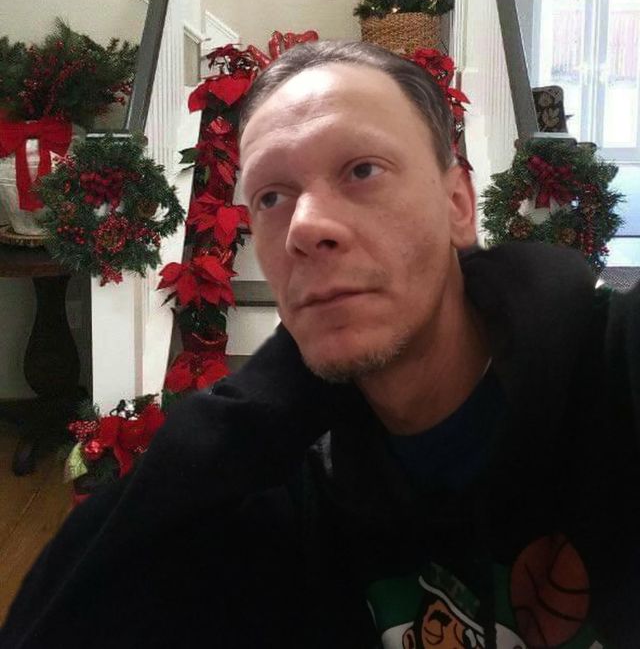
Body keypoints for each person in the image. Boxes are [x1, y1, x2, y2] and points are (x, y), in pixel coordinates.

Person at [1, 41, 639, 649]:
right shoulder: (287, 491)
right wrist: (254, 406)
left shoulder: (617, 376)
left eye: (362, 170)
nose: (303, 227)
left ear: (457, 205)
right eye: (272, 197)